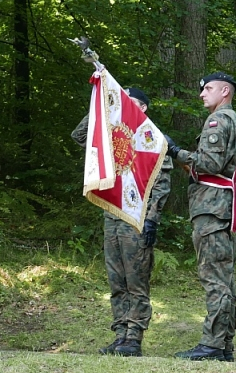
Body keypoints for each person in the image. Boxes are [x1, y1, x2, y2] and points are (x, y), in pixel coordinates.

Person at [71, 89, 173, 357]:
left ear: (144, 108)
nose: (124, 105)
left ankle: (134, 337)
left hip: (137, 219)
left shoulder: (152, 141)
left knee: (136, 279)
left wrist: (152, 220)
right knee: (116, 280)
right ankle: (120, 335)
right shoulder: (111, 136)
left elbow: (161, 186)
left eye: (132, 102)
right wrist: (102, 107)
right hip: (112, 216)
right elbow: (80, 136)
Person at [167, 72, 236, 362]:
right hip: (224, 207)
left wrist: (176, 151)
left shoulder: (219, 121)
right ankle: (224, 342)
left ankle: (213, 344)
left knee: (214, 276)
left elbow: (211, 163)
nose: (202, 94)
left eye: (209, 89)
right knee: (224, 278)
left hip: (213, 208)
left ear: (225, 91)